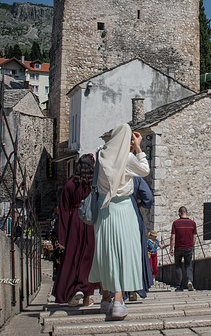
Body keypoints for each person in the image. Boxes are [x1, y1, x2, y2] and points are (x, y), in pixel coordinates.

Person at [89, 124, 150, 320]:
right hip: (123, 208)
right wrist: (139, 148)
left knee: (106, 253)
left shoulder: (101, 155)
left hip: (103, 207)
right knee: (123, 253)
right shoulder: (128, 158)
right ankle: (118, 302)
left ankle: (105, 299)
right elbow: (145, 171)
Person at [52, 154, 98, 307]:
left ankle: (75, 290)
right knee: (88, 258)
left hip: (75, 222)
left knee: (74, 257)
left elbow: (64, 210)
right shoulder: (94, 184)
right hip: (91, 222)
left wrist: (62, 237)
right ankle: (86, 294)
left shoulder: (70, 184)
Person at [127, 176, 154, 301]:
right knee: (135, 253)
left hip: (113, 215)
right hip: (133, 215)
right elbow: (148, 197)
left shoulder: (110, 174)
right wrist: (141, 204)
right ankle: (134, 287)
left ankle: (116, 291)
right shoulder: (135, 179)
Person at [169, 206, 197, 291]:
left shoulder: (175, 223)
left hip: (178, 247)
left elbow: (173, 237)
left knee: (178, 266)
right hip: (188, 247)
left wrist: (171, 248)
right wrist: (192, 246)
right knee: (188, 265)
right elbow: (194, 237)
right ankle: (189, 281)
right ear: (187, 213)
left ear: (179, 213)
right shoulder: (193, 223)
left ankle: (179, 286)